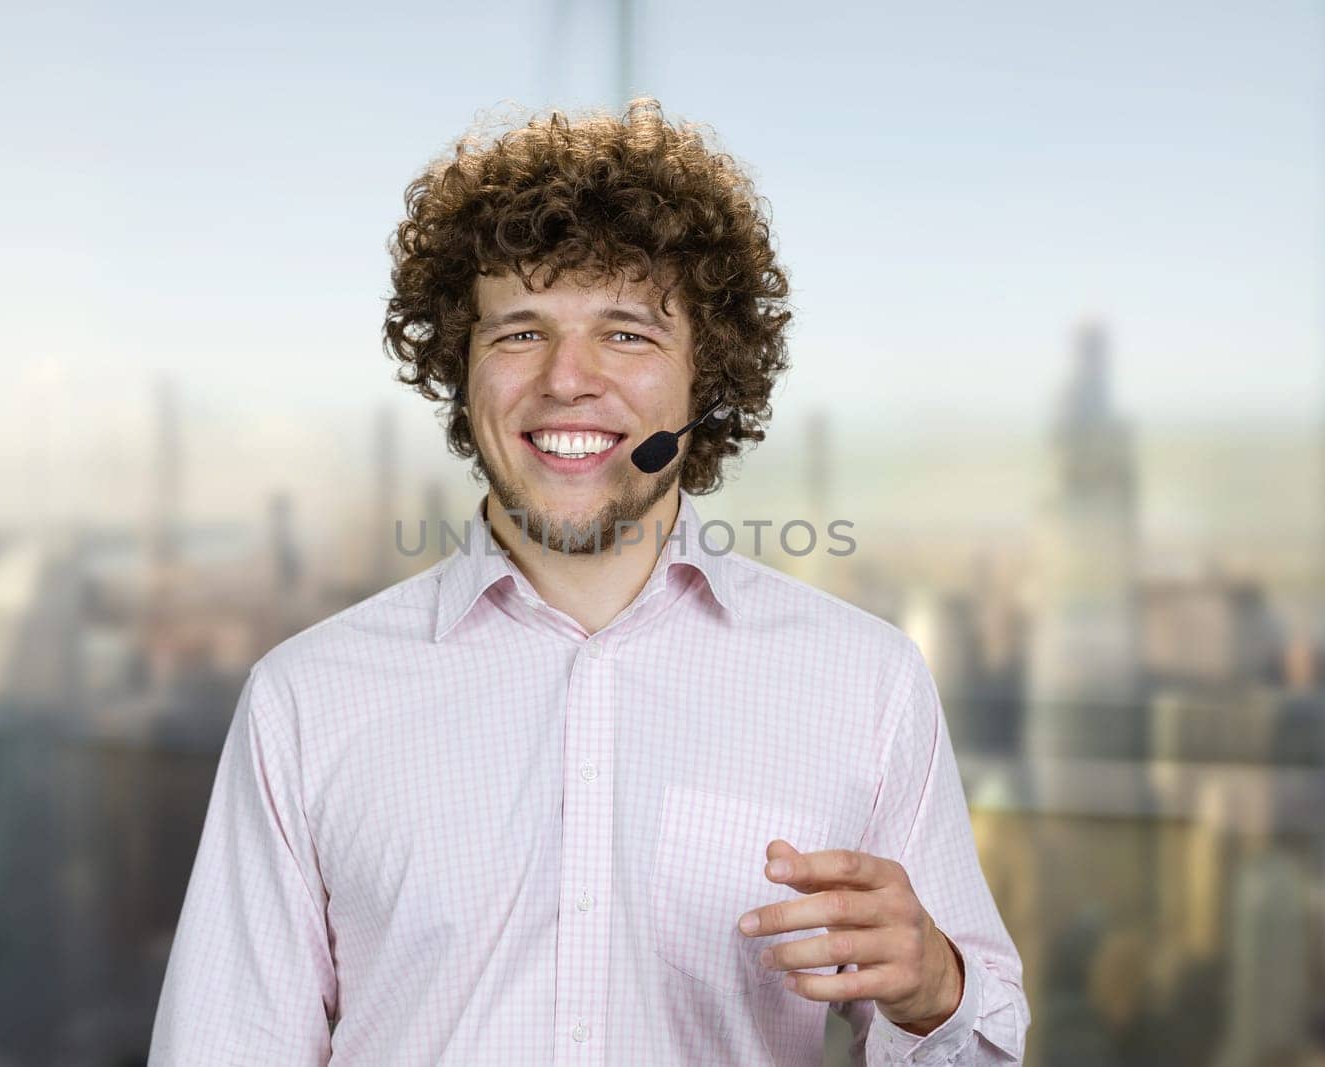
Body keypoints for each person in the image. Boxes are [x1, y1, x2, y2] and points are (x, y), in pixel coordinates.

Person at [149, 97, 1028, 1065]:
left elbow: (977, 1048)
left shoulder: (866, 681)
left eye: (628, 333)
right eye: (519, 332)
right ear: (462, 368)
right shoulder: (307, 697)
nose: (568, 379)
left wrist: (935, 989)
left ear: (708, 381)